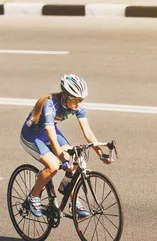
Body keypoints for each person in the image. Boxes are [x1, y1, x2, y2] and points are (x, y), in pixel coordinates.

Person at [19, 74, 112, 218]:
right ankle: (34, 196)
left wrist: (101, 154)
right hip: (32, 136)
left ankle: (70, 196)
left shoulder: (77, 107)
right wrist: (62, 159)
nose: (78, 103)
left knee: (77, 160)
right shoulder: (49, 105)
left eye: (80, 100)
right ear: (65, 96)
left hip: (49, 132)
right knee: (53, 166)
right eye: (75, 99)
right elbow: (51, 136)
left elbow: (88, 133)